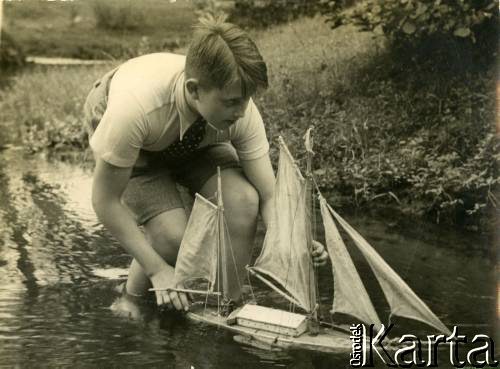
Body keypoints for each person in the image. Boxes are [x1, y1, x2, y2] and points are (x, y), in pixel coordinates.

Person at [84, 16, 328, 313]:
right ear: (195, 90)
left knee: (243, 199)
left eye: (246, 99)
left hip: (196, 136)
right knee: (172, 237)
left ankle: (229, 302)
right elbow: (105, 201)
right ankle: (129, 300)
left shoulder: (235, 109)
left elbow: (269, 194)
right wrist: (157, 270)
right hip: (138, 139)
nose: (241, 111)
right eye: (232, 102)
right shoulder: (131, 112)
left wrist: (289, 239)